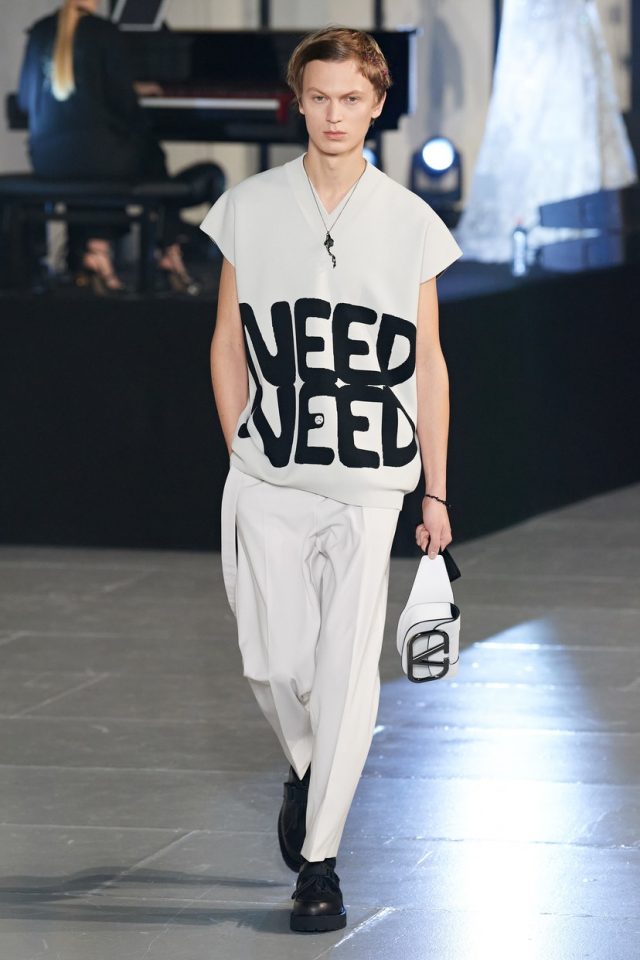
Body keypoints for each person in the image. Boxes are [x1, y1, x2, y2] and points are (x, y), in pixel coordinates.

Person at [201, 26, 461, 933]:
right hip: (268, 470)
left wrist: (434, 492)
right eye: (319, 97)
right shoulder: (249, 206)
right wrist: (240, 445)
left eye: (352, 98)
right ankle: (309, 770)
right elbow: (227, 338)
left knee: (348, 672)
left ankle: (320, 864)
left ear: (377, 104)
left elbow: (427, 362)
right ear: (298, 101)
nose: (335, 114)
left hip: (371, 478)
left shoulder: (410, 221)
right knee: (271, 661)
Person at [17, 0, 224, 293]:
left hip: (47, 160)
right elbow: (124, 105)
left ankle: (95, 253)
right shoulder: (103, 32)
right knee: (148, 153)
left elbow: (25, 101)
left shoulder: (40, 31)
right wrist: (133, 97)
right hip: (100, 160)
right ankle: (167, 251)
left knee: (96, 155)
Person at [455, 0, 637, 263]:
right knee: (541, 106)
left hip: (574, 28)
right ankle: (541, 218)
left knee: (576, 104)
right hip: (540, 29)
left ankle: (590, 212)